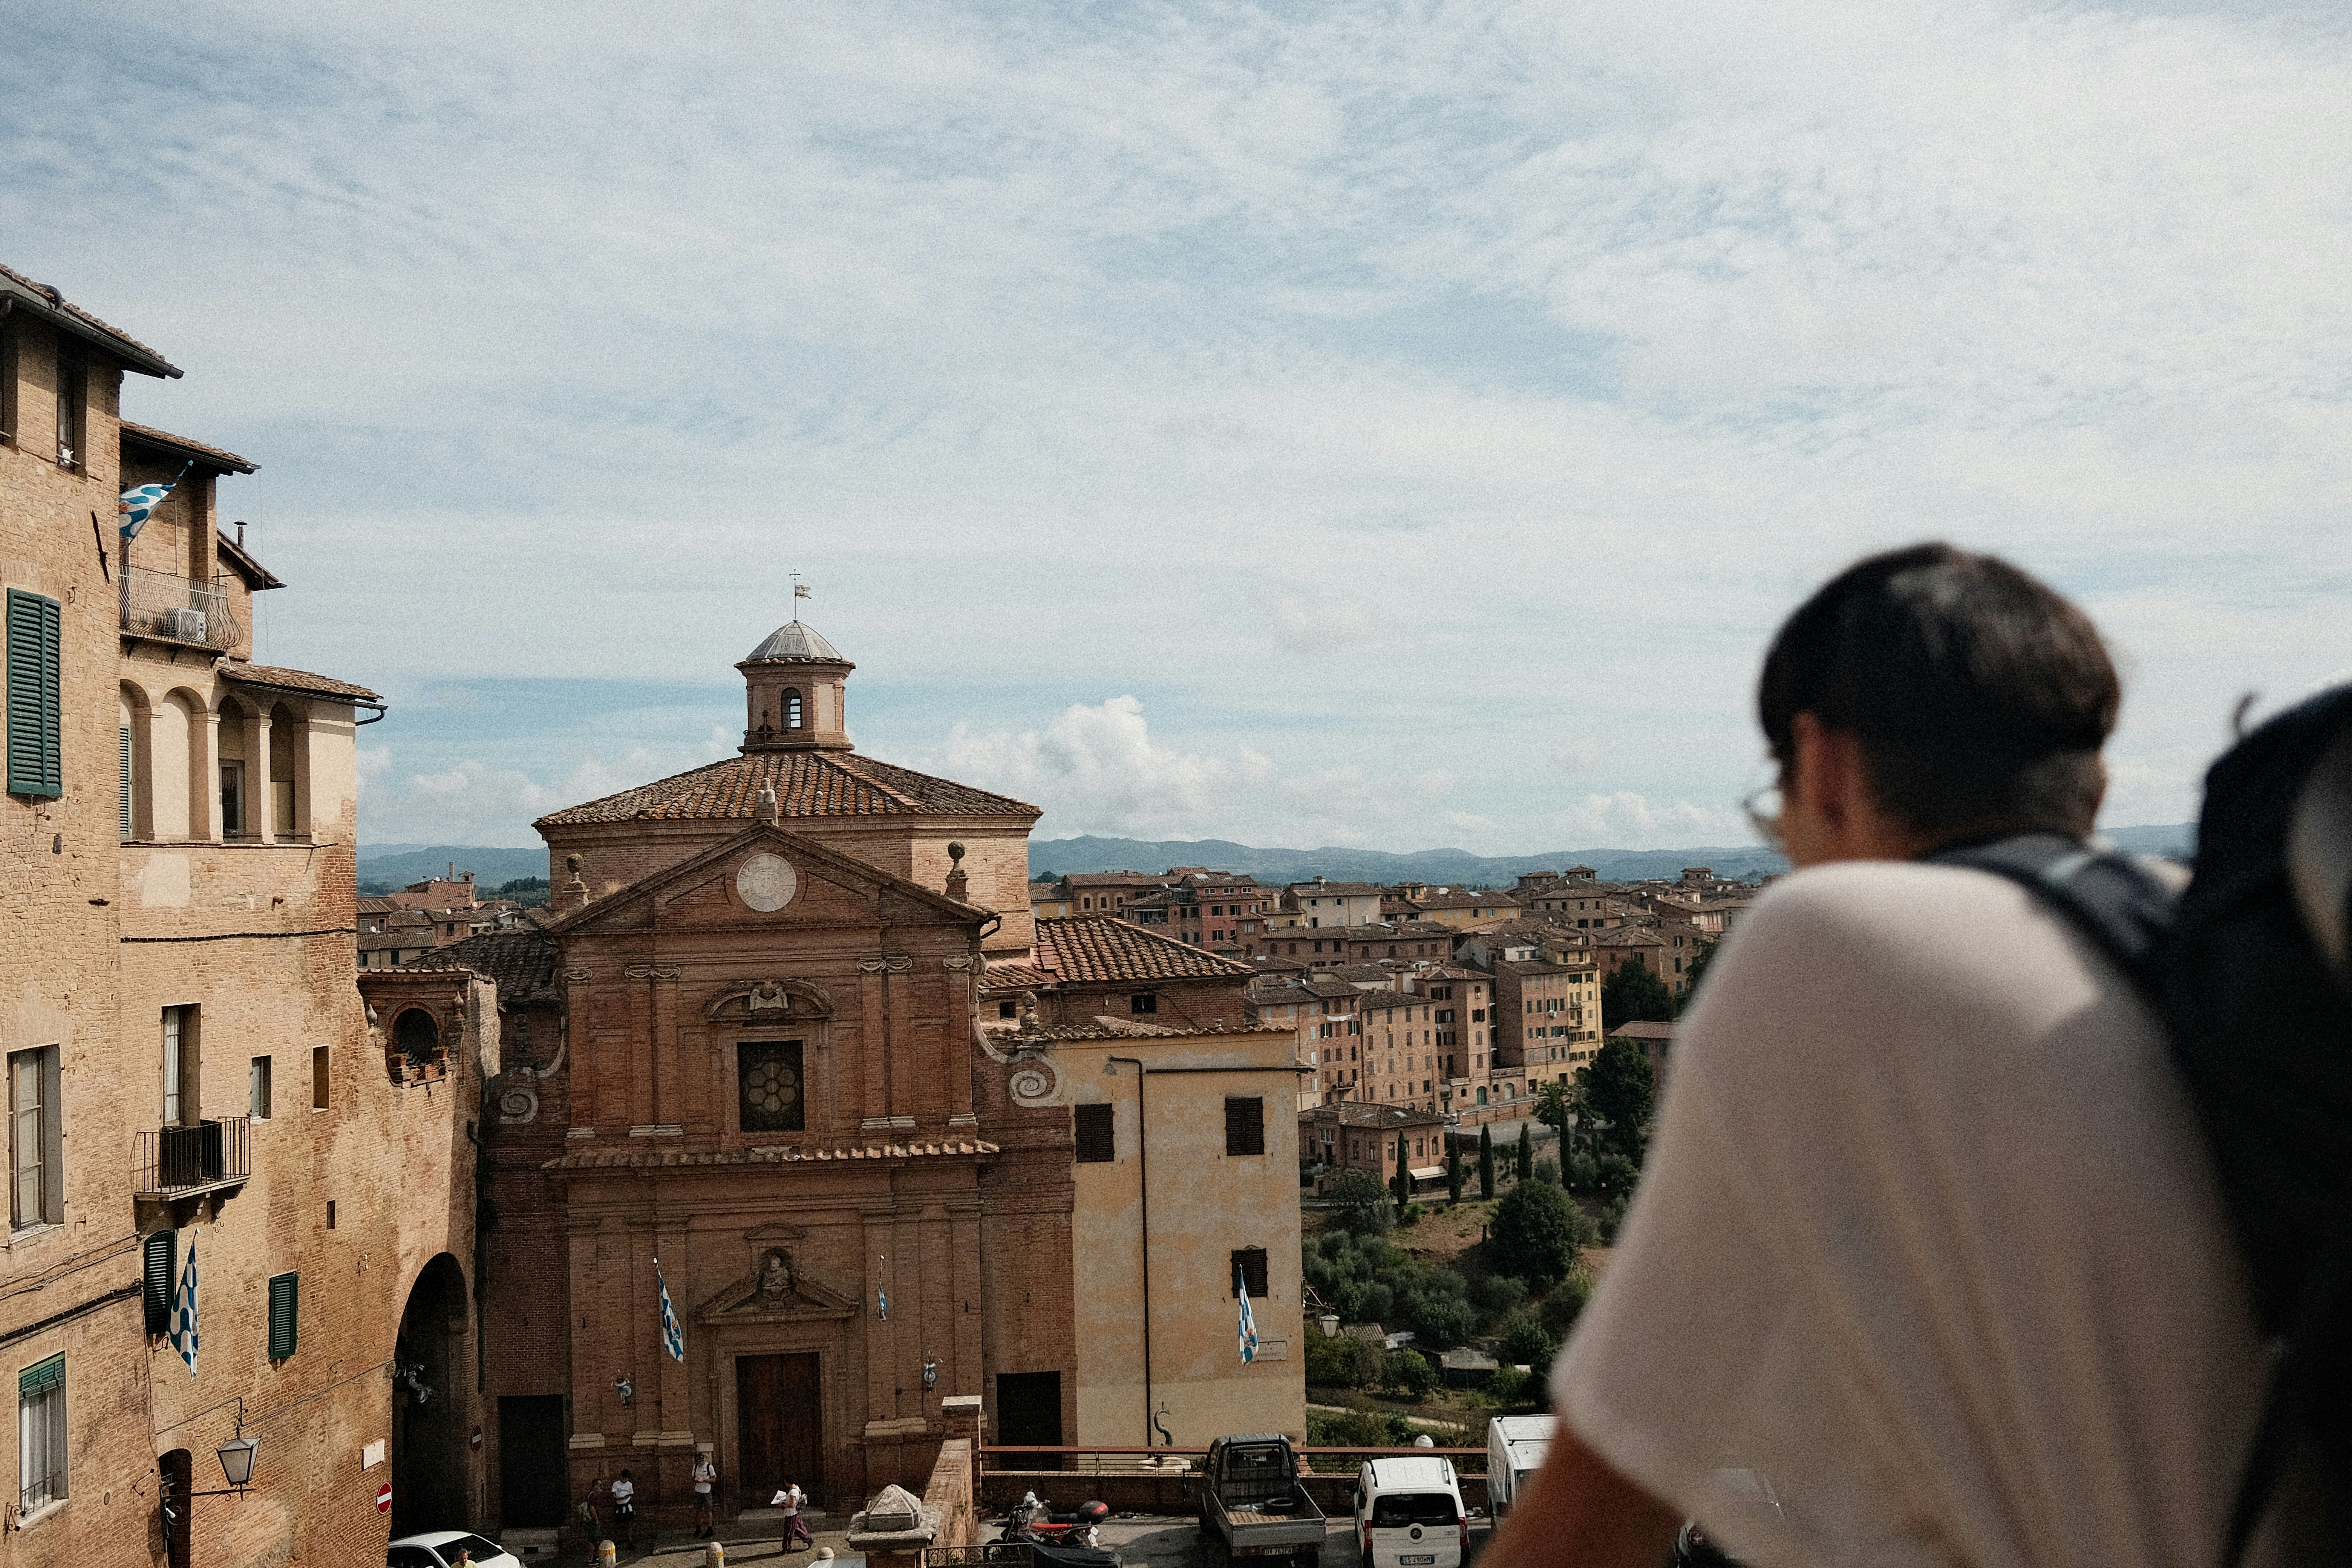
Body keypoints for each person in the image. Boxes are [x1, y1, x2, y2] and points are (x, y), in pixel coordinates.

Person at [1480, 544, 2317, 1568]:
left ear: (1822, 764)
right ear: (2093, 783)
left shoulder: (1825, 940)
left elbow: (1588, 1530)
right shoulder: (2203, 941)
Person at [771, 1479, 812, 1550]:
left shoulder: (793, 1492)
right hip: (795, 1513)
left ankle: (787, 1547)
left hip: (792, 1514)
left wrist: (783, 1505)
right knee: (799, 1529)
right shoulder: (797, 1488)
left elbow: (792, 1505)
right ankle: (808, 1539)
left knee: (789, 1532)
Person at [692, 1450, 719, 1539]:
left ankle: (710, 1528)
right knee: (698, 1510)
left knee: (708, 1510)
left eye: (701, 1462)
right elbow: (693, 1477)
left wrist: (704, 1480)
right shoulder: (695, 1467)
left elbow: (714, 1480)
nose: (700, 1464)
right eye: (698, 1463)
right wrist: (696, 1480)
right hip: (698, 1490)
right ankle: (698, 1528)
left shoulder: (709, 1467)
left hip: (707, 1491)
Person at [610, 1468, 636, 1549]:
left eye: (626, 1479)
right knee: (619, 1525)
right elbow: (614, 1494)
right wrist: (618, 1498)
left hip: (628, 1505)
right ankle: (618, 1542)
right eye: (623, 1478)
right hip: (619, 1505)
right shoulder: (616, 1484)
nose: (624, 1480)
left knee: (629, 1524)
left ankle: (630, 1542)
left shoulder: (629, 1485)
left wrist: (633, 1508)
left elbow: (631, 1495)